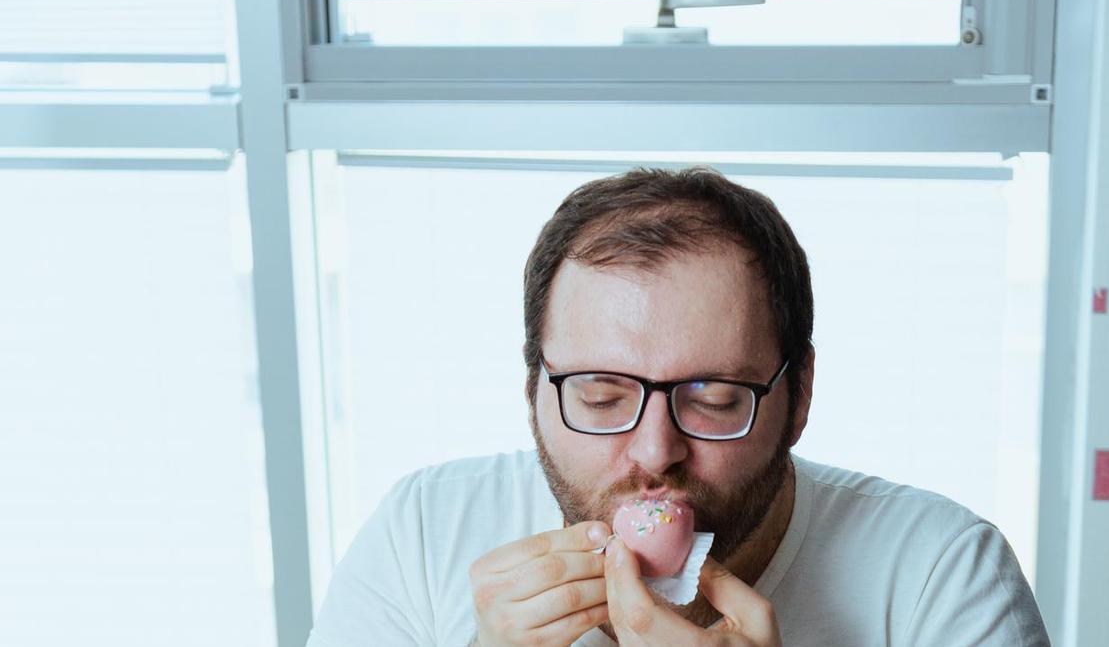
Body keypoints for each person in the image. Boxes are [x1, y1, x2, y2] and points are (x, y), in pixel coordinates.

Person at [306, 167, 1050, 646]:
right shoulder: (422, 535)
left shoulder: (942, 574)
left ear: (799, 398)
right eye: (601, 395)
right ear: (533, 390)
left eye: (717, 398)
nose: (654, 448)